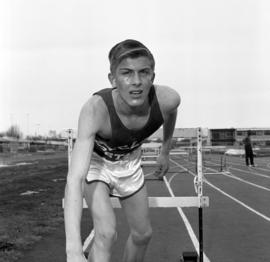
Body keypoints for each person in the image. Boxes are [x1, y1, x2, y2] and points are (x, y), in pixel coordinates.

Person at [64, 39, 181, 262]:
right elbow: (74, 179)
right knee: (106, 233)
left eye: (144, 72)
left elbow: (172, 112)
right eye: (126, 73)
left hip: (129, 164)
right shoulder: (95, 110)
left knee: (143, 234)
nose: (136, 82)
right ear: (113, 79)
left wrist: (165, 150)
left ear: (152, 77)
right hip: (97, 165)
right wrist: (74, 251)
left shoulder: (167, 99)